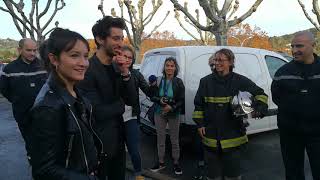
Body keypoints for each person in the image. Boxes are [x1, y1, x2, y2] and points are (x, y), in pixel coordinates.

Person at [28, 28, 101, 180]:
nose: (84, 63)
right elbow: (44, 170)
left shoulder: (76, 91)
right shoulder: (47, 107)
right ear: (54, 59)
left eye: (86, 56)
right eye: (74, 55)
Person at [193, 48, 268, 180]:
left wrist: (260, 107)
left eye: (221, 60)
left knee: (232, 175)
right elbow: (199, 105)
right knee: (212, 175)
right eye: (216, 60)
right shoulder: (205, 82)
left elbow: (261, 94)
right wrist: (200, 124)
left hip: (233, 135)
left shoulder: (240, 80)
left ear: (231, 62)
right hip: (211, 136)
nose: (217, 63)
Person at [77, 16, 136, 180]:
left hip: (119, 141)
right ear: (100, 39)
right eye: (116, 38)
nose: (121, 43)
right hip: (98, 145)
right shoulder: (87, 70)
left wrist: (125, 73)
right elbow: (95, 112)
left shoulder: (118, 67)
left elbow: (132, 100)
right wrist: (121, 105)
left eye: (122, 38)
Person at [271, 31, 320, 180]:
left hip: (318, 131)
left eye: (299, 46)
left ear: (313, 45)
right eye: (292, 46)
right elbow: (276, 97)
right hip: (290, 132)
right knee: (293, 172)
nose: (293, 50)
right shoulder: (282, 72)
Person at [0, 38, 47, 158]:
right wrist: (17, 100)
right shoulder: (9, 69)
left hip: (45, 113)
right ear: (19, 50)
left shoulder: (44, 66)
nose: (32, 53)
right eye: (28, 50)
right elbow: (4, 89)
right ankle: (34, 162)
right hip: (23, 114)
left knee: (46, 141)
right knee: (30, 142)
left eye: (34, 50)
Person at [149, 57, 185, 175]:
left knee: (174, 140)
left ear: (175, 68)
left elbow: (181, 100)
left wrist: (172, 107)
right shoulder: (159, 80)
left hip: (173, 113)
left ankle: (176, 163)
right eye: (167, 65)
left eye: (172, 66)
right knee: (160, 139)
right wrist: (160, 102)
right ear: (164, 67)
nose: (169, 68)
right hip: (159, 112)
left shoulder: (178, 82)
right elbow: (152, 96)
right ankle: (161, 162)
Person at [121, 45, 153, 180]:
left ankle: (138, 173)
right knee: (116, 150)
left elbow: (148, 91)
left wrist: (154, 87)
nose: (127, 60)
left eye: (130, 57)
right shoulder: (112, 73)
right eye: (125, 56)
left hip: (131, 116)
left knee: (134, 149)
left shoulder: (136, 74)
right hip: (113, 118)